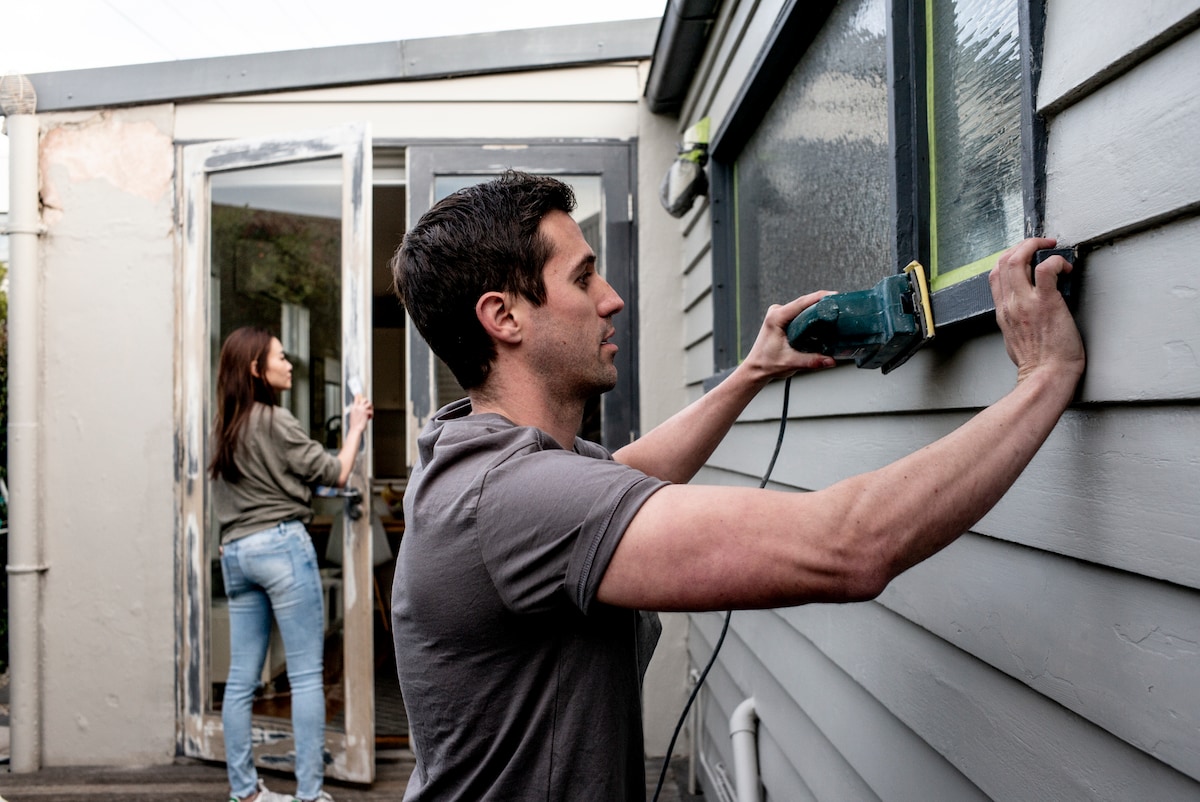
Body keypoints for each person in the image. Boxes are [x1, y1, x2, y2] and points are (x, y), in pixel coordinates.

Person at [388, 172, 1085, 801]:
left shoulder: (483, 457)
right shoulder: (515, 497)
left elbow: (622, 478)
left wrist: (751, 372)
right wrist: (1043, 378)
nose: (612, 298)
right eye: (584, 279)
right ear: (504, 316)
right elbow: (848, 546)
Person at [209, 326, 373, 802]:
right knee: (304, 676)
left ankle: (245, 792)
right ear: (256, 369)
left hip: (236, 553)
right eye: (280, 357)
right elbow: (335, 472)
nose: (289, 364)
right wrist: (356, 426)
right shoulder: (275, 421)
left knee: (241, 681)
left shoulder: (226, 426)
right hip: (281, 548)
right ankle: (309, 795)